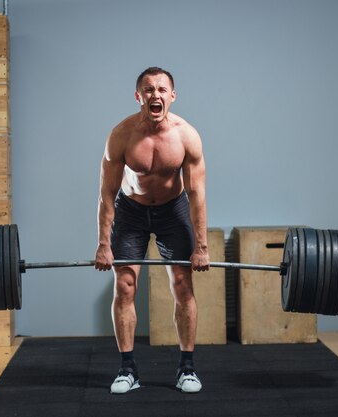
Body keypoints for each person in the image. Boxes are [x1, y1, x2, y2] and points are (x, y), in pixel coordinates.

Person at [95, 67, 210, 394]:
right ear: (138, 96)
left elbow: (196, 195)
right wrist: (103, 243)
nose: (155, 95)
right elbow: (106, 194)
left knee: (182, 284)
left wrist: (200, 246)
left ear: (172, 96)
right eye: (148, 90)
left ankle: (187, 368)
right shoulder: (122, 135)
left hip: (172, 212)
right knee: (126, 284)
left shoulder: (186, 136)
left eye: (162, 89)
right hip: (131, 211)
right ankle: (127, 369)